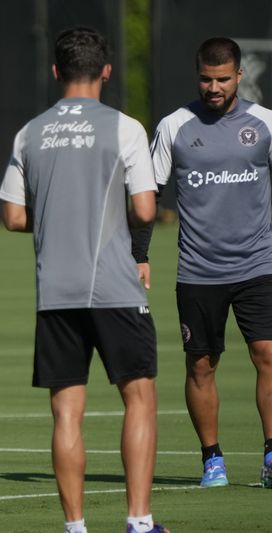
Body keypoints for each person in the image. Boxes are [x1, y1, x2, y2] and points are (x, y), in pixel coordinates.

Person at [0, 28, 167, 533]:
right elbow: (143, 207)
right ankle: (139, 523)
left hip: (56, 292)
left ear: (56, 72)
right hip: (115, 287)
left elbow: (11, 216)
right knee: (139, 397)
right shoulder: (126, 128)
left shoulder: (30, 132)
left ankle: (75, 527)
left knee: (66, 413)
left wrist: (58, 215)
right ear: (107, 71)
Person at [147, 37, 272, 489]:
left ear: (240, 76)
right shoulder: (174, 126)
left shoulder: (264, 124)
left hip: (260, 265)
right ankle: (212, 459)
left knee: (268, 355)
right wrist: (138, 255)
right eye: (205, 78)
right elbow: (149, 193)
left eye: (222, 79)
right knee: (201, 364)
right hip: (198, 271)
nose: (213, 87)